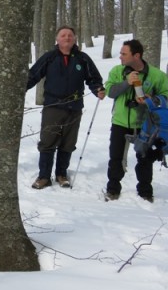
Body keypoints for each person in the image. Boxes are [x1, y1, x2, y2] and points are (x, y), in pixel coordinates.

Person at [27, 26, 105, 189]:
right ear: (57, 39)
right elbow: (32, 76)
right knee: (48, 141)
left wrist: (98, 89)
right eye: (63, 35)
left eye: (70, 35)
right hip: (53, 106)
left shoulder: (82, 59)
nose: (67, 38)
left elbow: (94, 78)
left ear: (75, 38)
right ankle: (44, 177)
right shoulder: (49, 57)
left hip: (74, 107)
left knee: (68, 142)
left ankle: (61, 174)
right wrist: (18, 89)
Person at [104, 39, 168, 202]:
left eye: (124, 54)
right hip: (120, 121)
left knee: (145, 158)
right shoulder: (117, 71)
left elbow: (166, 95)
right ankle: (113, 189)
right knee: (116, 158)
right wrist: (127, 82)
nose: (120, 57)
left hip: (145, 125)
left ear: (136, 55)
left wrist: (152, 99)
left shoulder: (156, 75)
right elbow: (110, 91)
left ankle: (145, 192)